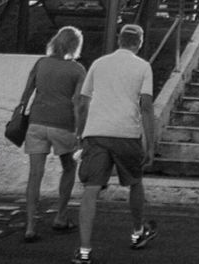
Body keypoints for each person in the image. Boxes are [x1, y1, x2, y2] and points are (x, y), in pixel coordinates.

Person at [72, 24, 158, 264]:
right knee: (134, 182)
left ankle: (84, 250)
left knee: (91, 190)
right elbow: (147, 106)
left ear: (119, 40)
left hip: (97, 132)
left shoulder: (99, 64)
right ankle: (137, 232)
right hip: (126, 133)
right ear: (138, 43)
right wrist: (149, 144)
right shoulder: (143, 66)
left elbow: (82, 102)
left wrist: (81, 133)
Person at [19, 27, 87, 242]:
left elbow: (26, 94)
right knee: (68, 167)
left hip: (37, 122)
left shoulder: (41, 63)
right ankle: (60, 216)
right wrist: (80, 132)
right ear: (75, 46)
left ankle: (30, 226)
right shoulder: (77, 70)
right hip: (63, 124)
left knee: (35, 175)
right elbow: (77, 103)